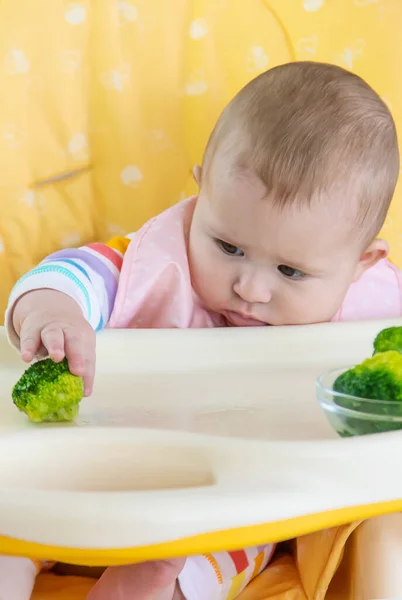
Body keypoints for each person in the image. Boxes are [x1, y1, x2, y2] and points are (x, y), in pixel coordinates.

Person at [4, 61, 400, 600]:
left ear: (361, 265)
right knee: (14, 523)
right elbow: (70, 274)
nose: (251, 289)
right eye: (228, 247)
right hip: (98, 469)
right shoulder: (151, 268)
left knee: (231, 550)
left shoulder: (376, 312)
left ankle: (153, 587)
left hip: (241, 495)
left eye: (291, 272)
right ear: (200, 195)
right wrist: (53, 314)